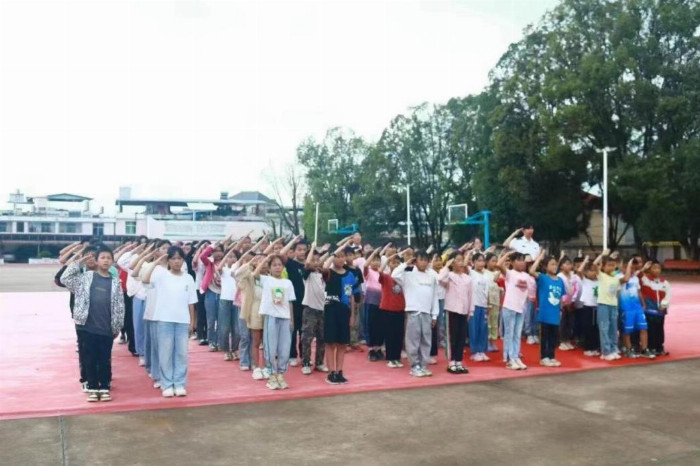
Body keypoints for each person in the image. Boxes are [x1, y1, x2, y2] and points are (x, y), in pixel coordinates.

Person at [61, 245, 125, 402]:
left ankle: (104, 387)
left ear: (112, 261)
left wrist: (117, 326)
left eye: (108, 258)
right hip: (87, 327)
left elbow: (119, 306)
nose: (105, 260)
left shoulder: (115, 282)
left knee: (104, 359)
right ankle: (92, 387)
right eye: (102, 257)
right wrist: (78, 263)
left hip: (106, 328)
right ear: (96, 261)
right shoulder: (86, 278)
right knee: (89, 358)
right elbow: (65, 279)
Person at [142, 246, 198, 397]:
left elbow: (191, 302)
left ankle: (179, 383)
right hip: (164, 320)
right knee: (165, 353)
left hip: (182, 321)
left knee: (181, 354)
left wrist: (192, 321)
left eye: (179, 258)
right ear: (168, 260)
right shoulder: (161, 276)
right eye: (173, 258)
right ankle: (167, 384)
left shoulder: (188, 278)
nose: (177, 261)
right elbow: (145, 280)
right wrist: (156, 262)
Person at [392, 250, 440, 378]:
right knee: (413, 340)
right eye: (420, 259)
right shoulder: (408, 276)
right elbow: (394, 274)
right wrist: (406, 263)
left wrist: (434, 314)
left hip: (427, 313)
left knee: (426, 340)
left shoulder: (431, 276)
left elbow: (435, 296)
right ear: (415, 261)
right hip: (413, 311)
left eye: (425, 260)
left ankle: (423, 365)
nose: (423, 262)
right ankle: (414, 365)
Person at [254, 254, 296, 390]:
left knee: (284, 349)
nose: (277, 267)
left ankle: (281, 375)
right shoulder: (266, 280)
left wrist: (292, 320)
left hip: (285, 318)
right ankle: (272, 375)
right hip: (271, 317)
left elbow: (290, 302)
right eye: (274, 265)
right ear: (270, 267)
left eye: (280, 265)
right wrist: (266, 260)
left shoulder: (287, 283)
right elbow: (254, 274)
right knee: (271, 348)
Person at [322, 248, 358, 384]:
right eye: (337, 256)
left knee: (342, 344)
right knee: (330, 342)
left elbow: (352, 296)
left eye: (343, 256)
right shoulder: (329, 273)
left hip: (344, 311)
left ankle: (340, 371)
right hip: (330, 310)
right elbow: (324, 267)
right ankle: (331, 372)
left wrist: (352, 315)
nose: (340, 259)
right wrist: (332, 254)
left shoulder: (350, 275)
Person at [594, 250, 634, 361]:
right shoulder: (601, 276)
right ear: (603, 267)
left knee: (613, 328)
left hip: (613, 305)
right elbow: (594, 265)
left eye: (613, 265)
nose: (611, 267)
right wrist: (602, 254)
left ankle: (613, 349)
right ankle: (605, 352)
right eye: (609, 265)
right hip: (603, 305)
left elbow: (626, 279)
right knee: (604, 328)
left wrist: (629, 266)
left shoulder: (616, 278)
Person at [438, 251, 473, 374]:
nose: (460, 263)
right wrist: (446, 266)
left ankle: (459, 361)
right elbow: (440, 278)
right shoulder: (449, 276)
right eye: (457, 260)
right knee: (452, 336)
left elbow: (470, 295)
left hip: (464, 310)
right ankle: (451, 362)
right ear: (452, 262)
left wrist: (471, 310)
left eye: (462, 260)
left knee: (461, 337)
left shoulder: (467, 278)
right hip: (452, 310)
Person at [529, 251, 566, 367]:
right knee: (545, 336)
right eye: (551, 264)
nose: (554, 267)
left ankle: (551, 356)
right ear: (545, 266)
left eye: (555, 264)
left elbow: (560, 297)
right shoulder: (543, 278)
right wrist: (539, 257)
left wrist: (560, 310)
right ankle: (544, 357)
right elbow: (531, 271)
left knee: (554, 337)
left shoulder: (560, 280)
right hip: (545, 314)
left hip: (555, 313)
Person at [496, 251, 529, 370]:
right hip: (509, 307)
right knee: (509, 334)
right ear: (513, 262)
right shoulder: (510, 273)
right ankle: (509, 359)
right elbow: (499, 265)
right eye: (519, 260)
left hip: (520, 308)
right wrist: (508, 253)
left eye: (523, 260)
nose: (522, 262)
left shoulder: (526, 276)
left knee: (517, 334)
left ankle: (515, 356)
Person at [300, 244, 330, 374]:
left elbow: (327, 261)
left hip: (322, 310)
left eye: (318, 260)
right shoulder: (306, 273)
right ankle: (306, 362)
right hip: (310, 309)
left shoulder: (323, 274)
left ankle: (319, 362)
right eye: (313, 259)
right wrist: (312, 248)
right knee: (307, 338)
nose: (315, 262)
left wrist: (326, 252)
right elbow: (307, 264)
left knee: (322, 338)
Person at [619, 257, 656, 359]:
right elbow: (625, 279)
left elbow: (639, 292)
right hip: (626, 308)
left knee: (643, 328)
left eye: (633, 268)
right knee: (627, 330)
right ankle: (628, 349)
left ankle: (644, 349)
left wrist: (643, 304)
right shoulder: (619, 277)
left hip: (637, 307)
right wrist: (629, 265)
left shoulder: (635, 278)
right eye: (630, 267)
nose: (632, 269)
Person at [282, 236, 307, 367]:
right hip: (293, 302)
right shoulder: (291, 264)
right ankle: (292, 354)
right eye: (299, 249)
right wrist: (293, 241)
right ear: (295, 250)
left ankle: (304, 355)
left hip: (307, 302)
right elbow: (280, 254)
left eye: (304, 249)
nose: (302, 252)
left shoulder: (309, 265)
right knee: (292, 329)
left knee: (305, 331)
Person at [378, 253, 406, 368]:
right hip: (387, 309)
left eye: (397, 263)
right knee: (390, 334)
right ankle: (390, 358)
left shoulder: (403, 279)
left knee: (399, 334)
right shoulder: (386, 277)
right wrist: (387, 259)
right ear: (389, 264)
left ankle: (397, 357)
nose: (395, 265)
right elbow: (379, 271)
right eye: (393, 263)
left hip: (400, 309)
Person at [639, 260, 671, 356]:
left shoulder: (665, 283)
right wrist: (644, 268)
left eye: (658, 268)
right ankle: (651, 347)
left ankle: (659, 347)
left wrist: (664, 305)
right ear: (649, 269)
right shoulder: (645, 280)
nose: (656, 270)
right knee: (651, 329)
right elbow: (637, 276)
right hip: (649, 311)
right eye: (654, 268)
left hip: (660, 311)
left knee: (659, 329)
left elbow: (668, 295)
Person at [200, 242, 225, 351]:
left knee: (222, 320)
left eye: (220, 251)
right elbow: (202, 256)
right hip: (211, 292)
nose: (217, 253)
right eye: (215, 251)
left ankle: (220, 342)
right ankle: (212, 342)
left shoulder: (227, 263)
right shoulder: (209, 263)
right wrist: (211, 247)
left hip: (224, 294)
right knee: (211, 319)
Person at [217, 246, 241, 361]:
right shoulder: (224, 270)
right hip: (225, 300)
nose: (232, 259)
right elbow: (219, 267)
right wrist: (226, 256)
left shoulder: (239, 270)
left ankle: (235, 349)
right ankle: (226, 350)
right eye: (229, 257)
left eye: (234, 257)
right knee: (225, 327)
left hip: (237, 301)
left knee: (237, 328)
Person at [363, 246, 386, 361]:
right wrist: (373, 253)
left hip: (381, 303)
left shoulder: (382, 273)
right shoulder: (368, 272)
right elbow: (366, 265)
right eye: (374, 260)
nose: (376, 262)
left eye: (378, 260)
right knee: (370, 325)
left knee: (380, 326)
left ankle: (378, 348)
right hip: (370, 302)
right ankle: (371, 349)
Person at [468, 252, 492, 363]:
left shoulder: (486, 275)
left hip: (483, 305)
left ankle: (482, 351)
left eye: (483, 260)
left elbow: (487, 291)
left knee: (483, 329)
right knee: (474, 328)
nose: (481, 263)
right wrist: (468, 254)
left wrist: (488, 304)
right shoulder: (471, 273)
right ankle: (474, 351)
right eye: (478, 260)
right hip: (474, 304)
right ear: (473, 262)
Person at [577, 256, 601, 356]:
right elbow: (579, 271)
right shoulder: (585, 281)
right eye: (590, 271)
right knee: (588, 328)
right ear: (586, 273)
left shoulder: (599, 280)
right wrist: (586, 261)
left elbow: (599, 269)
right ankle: (587, 348)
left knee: (596, 328)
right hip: (588, 306)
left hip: (597, 306)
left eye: (594, 271)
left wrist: (601, 257)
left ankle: (595, 347)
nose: (593, 273)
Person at [557, 255, 579, 351]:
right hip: (563, 303)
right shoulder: (559, 276)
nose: (568, 266)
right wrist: (564, 302)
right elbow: (560, 290)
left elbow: (576, 288)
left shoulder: (573, 276)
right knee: (563, 322)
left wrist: (573, 300)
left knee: (570, 322)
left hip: (571, 302)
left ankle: (567, 340)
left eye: (570, 264)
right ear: (561, 266)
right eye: (566, 264)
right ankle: (562, 341)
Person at [485, 252, 502, 353]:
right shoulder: (484, 272)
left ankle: (493, 341)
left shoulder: (497, 272)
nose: (495, 263)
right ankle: (487, 341)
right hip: (488, 300)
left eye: (496, 261)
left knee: (495, 322)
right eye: (493, 261)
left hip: (496, 300)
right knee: (488, 323)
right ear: (487, 262)